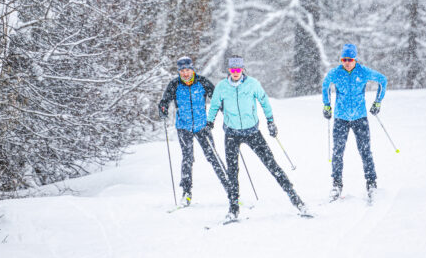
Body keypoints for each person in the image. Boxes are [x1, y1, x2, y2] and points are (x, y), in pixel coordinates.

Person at [207, 55, 307, 221]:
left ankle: (296, 199)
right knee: (232, 172)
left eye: (238, 69)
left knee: (272, 165)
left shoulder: (253, 84)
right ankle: (233, 208)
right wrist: (210, 121)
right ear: (229, 71)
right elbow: (215, 105)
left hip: (252, 132)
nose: (235, 73)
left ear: (242, 69)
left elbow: (264, 101)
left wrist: (270, 121)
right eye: (233, 70)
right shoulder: (222, 87)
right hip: (231, 134)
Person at [158, 56, 230, 206]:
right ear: (179, 71)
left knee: (213, 157)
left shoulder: (202, 82)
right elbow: (164, 101)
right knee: (187, 159)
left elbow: (217, 99)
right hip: (183, 127)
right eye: (182, 70)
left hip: (202, 126)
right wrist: (163, 108)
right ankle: (186, 193)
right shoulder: (174, 84)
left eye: (188, 69)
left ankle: (231, 189)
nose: (185, 73)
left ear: (192, 69)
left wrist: (225, 110)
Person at [322, 43, 387, 201]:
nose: (346, 62)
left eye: (350, 59)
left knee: (365, 151)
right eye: (343, 59)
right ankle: (337, 184)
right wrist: (327, 105)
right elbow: (325, 85)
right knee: (338, 152)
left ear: (355, 59)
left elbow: (383, 80)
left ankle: (371, 183)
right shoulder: (336, 73)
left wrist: (378, 102)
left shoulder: (363, 72)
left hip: (360, 118)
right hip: (340, 119)